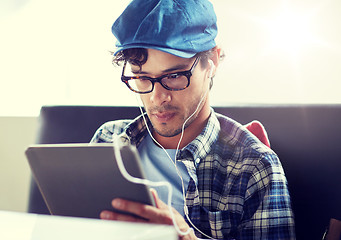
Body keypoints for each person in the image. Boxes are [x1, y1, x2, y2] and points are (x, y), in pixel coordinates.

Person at [90, 0, 295, 239]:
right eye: (142, 77)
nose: (158, 98)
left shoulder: (254, 166)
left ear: (213, 62)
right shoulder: (108, 140)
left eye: (175, 75)